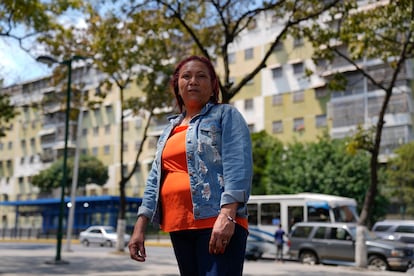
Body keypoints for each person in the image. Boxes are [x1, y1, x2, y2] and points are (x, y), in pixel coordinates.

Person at [128, 55, 253, 276]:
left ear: (213, 85)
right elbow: (154, 179)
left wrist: (227, 215)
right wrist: (140, 225)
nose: (193, 81)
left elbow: (238, 165)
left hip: (215, 222)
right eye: (186, 76)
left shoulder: (225, 114)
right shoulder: (169, 129)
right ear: (177, 85)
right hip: (179, 226)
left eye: (201, 76)